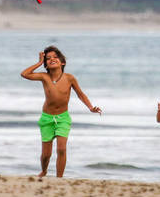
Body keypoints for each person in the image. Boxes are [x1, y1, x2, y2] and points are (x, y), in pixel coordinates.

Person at [20, 45, 102, 177]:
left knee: (61, 149)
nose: (52, 59)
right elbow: (24, 74)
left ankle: (59, 178)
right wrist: (39, 63)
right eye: (48, 58)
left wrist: (91, 107)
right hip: (47, 119)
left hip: (63, 118)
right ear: (45, 64)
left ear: (62, 62)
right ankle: (44, 170)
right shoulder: (43, 77)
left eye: (55, 57)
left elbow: (80, 94)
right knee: (46, 155)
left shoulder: (69, 78)